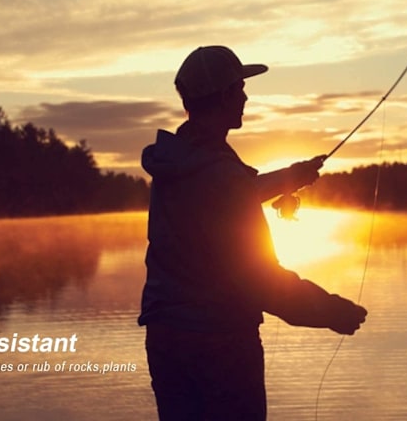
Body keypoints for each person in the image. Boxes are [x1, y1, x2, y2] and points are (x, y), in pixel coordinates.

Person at [138, 45, 367, 421]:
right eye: (240, 88)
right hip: (220, 342)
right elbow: (258, 279)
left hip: (166, 339)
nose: (245, 96)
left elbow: (226, 194)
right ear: (225, 95)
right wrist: (331, 311)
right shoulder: (220, 174)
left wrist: (292, 175)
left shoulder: (178, 161)